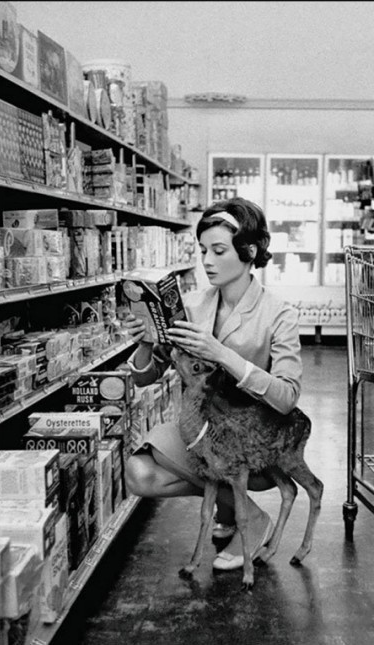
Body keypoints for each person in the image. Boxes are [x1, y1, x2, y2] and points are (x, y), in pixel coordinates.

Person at [122, 196, 303, 570]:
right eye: (203, 250)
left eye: (218, 250)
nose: (206, 261)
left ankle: (245, 517)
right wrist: (144, 341)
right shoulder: (190, 305)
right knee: (139, 473)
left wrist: (222, 354)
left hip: (252, 438)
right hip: (202, 431)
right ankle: (240, 511)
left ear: (249, 251)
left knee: (169, 458)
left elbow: (287, 398)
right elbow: (144, 377)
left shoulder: (279, 315)